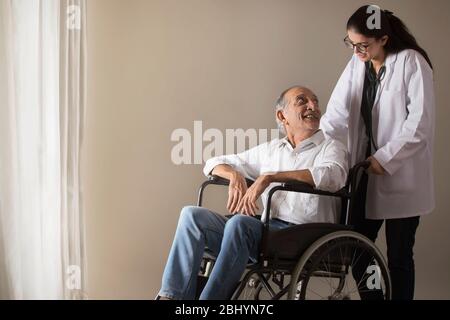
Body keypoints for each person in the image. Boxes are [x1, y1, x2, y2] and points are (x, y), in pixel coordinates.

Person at [158, 86, 348, 300]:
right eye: (302, 101)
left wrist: (270, 177)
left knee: (240, 223)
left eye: (315, 101)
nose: (312, 106)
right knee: (192, 216)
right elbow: (213, 163)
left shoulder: (331, 147)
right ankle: (171, 298)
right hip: (268, 230)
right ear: (281, 115)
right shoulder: (271, 149)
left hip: (306, 233)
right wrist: (234, 176)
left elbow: (334, 176)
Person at [320, 5, 435, 300]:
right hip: (364, 174)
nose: (356, 50)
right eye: (351, 43)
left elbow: (419, 125)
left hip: (401, 177)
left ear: (384, 38)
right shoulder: (357, 63)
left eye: (363, 45)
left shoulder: (412, 62)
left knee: (398, 257)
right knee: (357, 249)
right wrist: (319, 146)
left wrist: (384, 158)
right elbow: (336, 112)